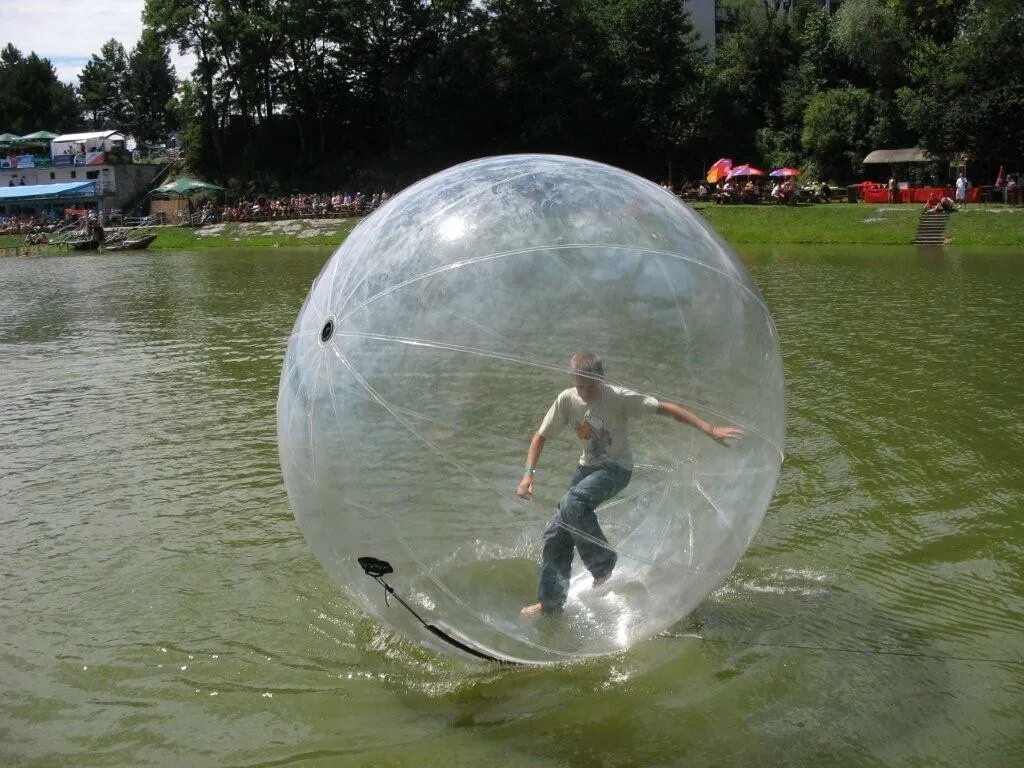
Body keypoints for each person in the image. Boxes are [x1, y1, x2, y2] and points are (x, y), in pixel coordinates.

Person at [517, 353, 744, 618]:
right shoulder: (567, 399)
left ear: (601, 380)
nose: (586, 392)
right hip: (586, 469)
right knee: (556, 533)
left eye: (591, 385)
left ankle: (603, 565)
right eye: (580, 386)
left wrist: (710, 428)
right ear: (574, 381)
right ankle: (550, 604)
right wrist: (528, 475)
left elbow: (666, 408)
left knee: (572, 503)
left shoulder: (619, 397)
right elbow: (540, 436)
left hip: (616, 469)